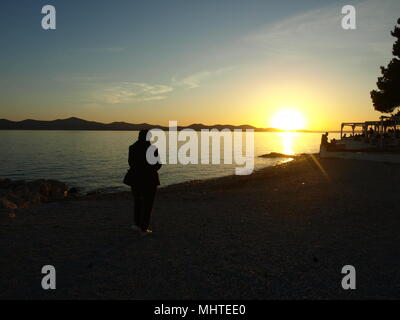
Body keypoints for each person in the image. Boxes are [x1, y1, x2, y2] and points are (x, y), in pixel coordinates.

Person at [128, 129, 162, 234]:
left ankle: (136, 224)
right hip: (149, 179)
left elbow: (131, 163)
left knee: (137, 201)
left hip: (135, 179)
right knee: (148, 204)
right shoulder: (152, 148)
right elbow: (158, 165)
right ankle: (144, 228)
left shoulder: (132, 147)